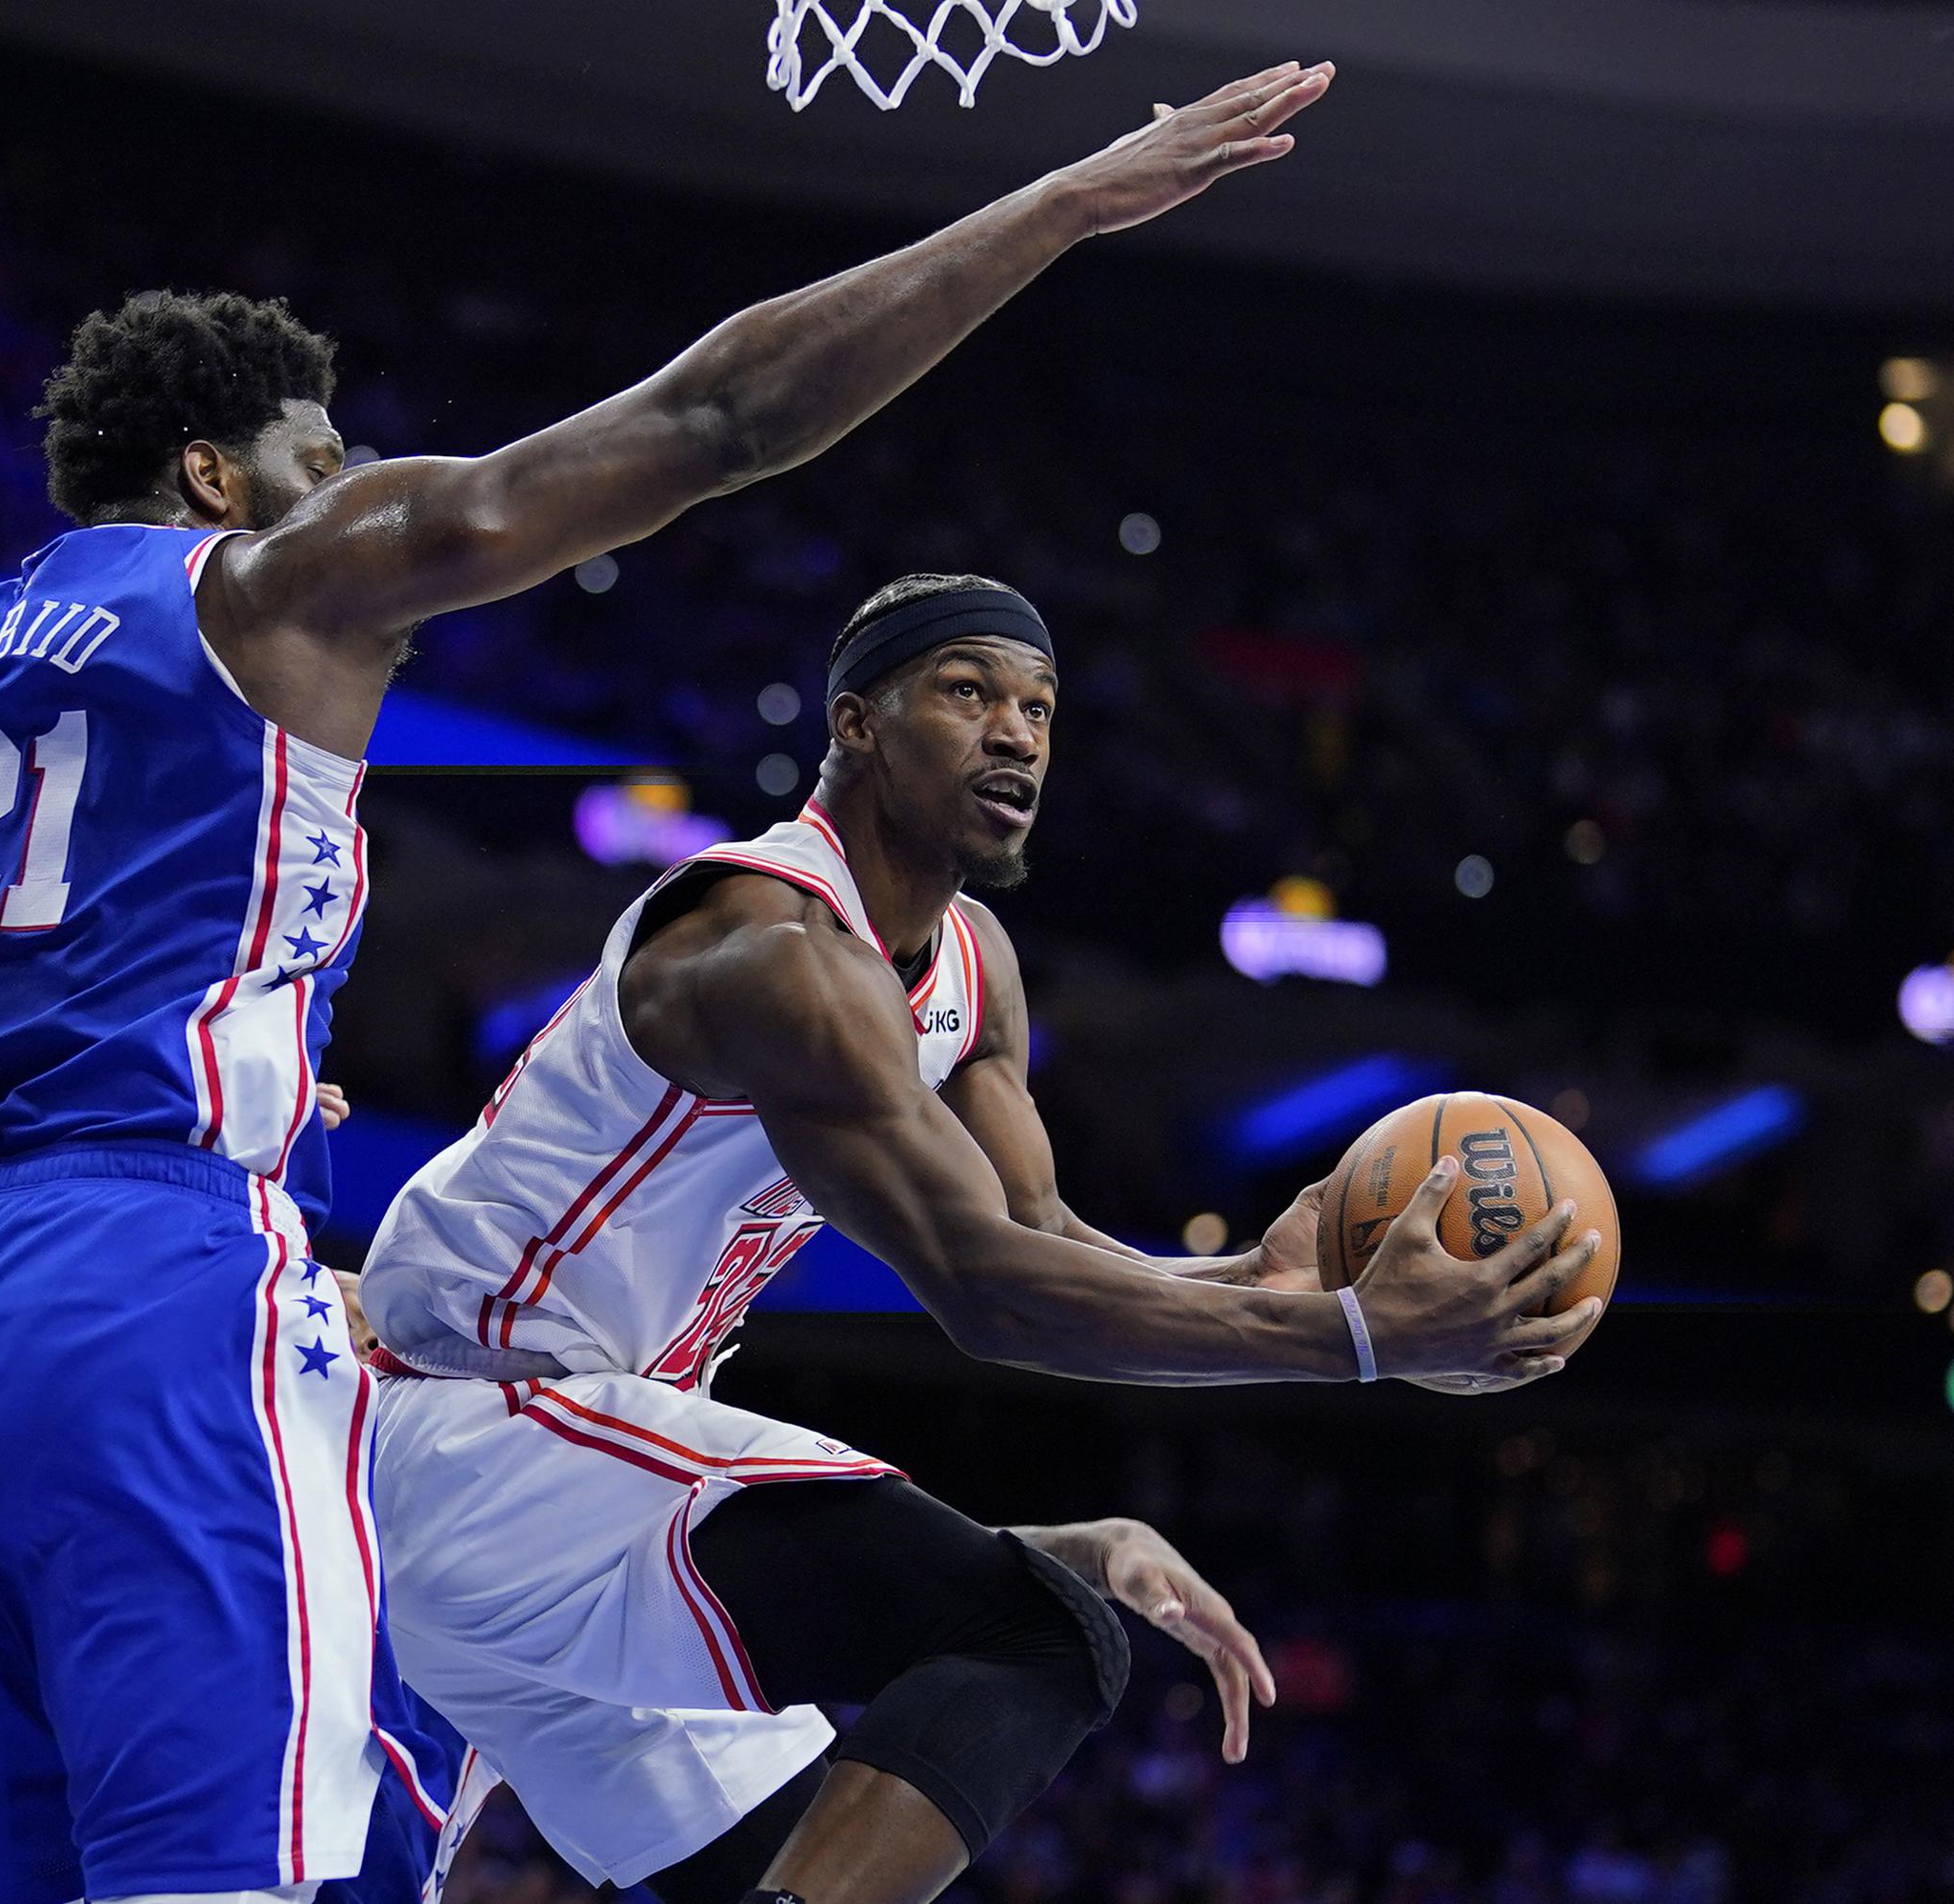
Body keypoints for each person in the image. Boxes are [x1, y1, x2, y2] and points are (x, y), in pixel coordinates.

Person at [0, 62, 1342, 1904]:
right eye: (322, 446)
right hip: (147, 1287)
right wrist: (1057, 206)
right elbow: (715, 415)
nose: (354, 481)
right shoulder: (277, 589)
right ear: (215, 479)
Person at [356, 573, 1609, 1904]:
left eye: (1040, 707)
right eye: (967, 692)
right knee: (1030, 1636)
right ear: (857, 723)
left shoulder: (974, 964)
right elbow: (987, 1297)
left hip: (571, 1483)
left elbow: (1037, 1235)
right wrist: (1356, 1338)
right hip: (474, 1429)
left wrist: (1255, 1277)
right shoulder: (777, 951)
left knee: (819, 1861)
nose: (1016, 733)